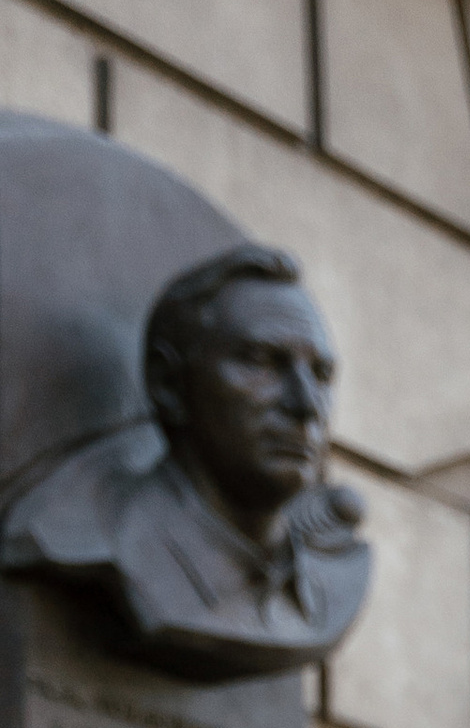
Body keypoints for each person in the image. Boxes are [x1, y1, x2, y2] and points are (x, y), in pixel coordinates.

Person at [1, 244, 369, 676]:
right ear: (168, 384)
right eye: (261, 362)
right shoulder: (74, 535)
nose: (306, 405)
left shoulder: (337, 578)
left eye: (322, 375)